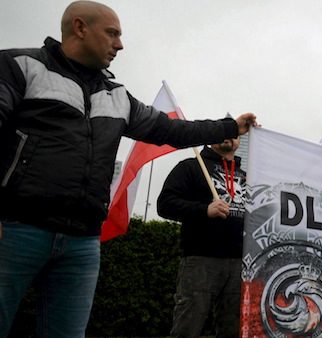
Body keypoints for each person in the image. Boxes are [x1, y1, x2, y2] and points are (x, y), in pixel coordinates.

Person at [0, 1, 257, 336]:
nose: (120, 44)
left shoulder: (118, 96)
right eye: (112, 34)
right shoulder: (18, 66)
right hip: (17, 229)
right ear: (80, 28)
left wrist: (228, 126)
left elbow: (172, 131)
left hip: (83, 241)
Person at [158, 136, 247, 338]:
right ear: (211, 137)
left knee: (234, 329)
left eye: (234, 134)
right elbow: (165, 204)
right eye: (222, 132)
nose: (228, 138)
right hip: (200, 260)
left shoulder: (246, 176)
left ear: (239, 141)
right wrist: (204, 210)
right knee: (188, 326)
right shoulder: (190, 167)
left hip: (240, 263)